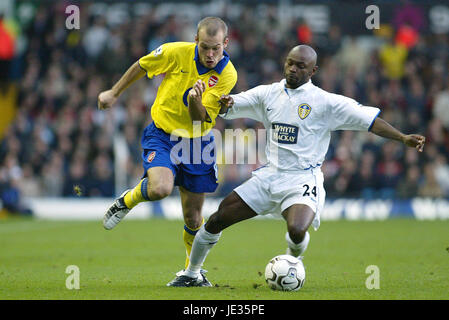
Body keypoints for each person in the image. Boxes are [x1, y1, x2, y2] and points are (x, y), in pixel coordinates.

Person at [167, 45, 426, 287]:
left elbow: (369, 121)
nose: (293, 69)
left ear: (313, 71)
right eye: (290, 63)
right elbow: (230, 105)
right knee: (216, 219)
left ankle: (292, 261)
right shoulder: (267, 94)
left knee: (296, 228)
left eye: (301, 66)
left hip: (303, 180)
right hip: (269, 176)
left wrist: (402, 137)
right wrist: (225, 103)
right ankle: (191, 274)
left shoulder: (326, 102)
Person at [98, 17, 237, 286]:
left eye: (216, 48)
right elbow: (142, 65)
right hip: (162, 134)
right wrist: (114, 93)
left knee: (194, 216)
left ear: (225, 44)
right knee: (160, 188)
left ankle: (191, 273)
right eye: (205, 47)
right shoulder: (175, 52)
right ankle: (128, 200)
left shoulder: (228, 74)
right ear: (196, 40)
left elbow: (201, 119)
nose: (210, 54)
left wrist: (195, 100)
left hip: (197, 142)